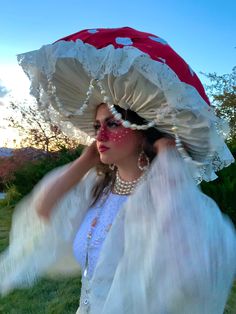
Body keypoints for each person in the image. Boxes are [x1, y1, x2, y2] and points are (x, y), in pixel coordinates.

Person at [0, 27, 236, 314]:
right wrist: (87, 159)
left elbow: (190, 264)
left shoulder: (167, 195)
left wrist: (166, 159)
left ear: (143, 132)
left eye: (112, 124)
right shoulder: (96, 187)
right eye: (97, 126)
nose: (100, 135)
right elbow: (43, 208)